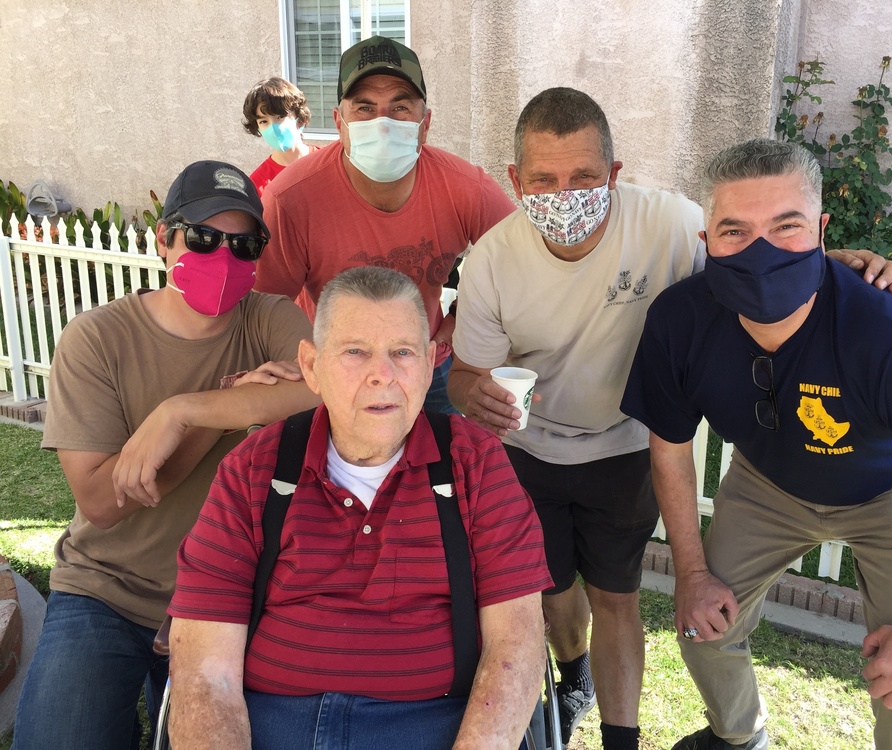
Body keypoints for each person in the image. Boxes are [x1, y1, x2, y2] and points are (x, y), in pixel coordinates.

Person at [446, 88, 892, 750]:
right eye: (543, 179)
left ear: (616, 175)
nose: (563, 194)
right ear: (515, 181)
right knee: (549, 596)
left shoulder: (666, 223)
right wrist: (473, 393)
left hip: (628, 447)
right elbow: (465, 374)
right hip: (531, 451)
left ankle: (621, 740)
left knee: (616, 597)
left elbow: (751, 260)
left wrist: (831, 264)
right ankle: (574, 675)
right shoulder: (491, 258)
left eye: (584, 177)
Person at [621, 138, 892, 750]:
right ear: (706, 241)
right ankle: (738, 738)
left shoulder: (890, 333)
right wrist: (689, 573)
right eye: (735, 231)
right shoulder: (680, 320)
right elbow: (668, 447)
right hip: (768, 482)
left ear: (822, 230)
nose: (762, 250)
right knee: (704, 626)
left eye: (787, 226)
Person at [166, 266, 552, 750]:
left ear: (431, 361)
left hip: (435, 721)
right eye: (355, 352)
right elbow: (206, 672)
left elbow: (514, 647)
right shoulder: (254, 470)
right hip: (273, 722)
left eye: (403, 352)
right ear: (312, 366)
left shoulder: (475, 464)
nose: (382, 375)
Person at [12, 160, 320, 750]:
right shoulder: (98, 338)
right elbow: (103, 502)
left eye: (244, 244)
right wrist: (231, 407)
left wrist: (184, 412)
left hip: (234, 594)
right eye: (203, 238)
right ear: (163, 238)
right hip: (108, 588)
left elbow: (328, 386)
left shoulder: (272, 318)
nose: (224, 257)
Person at [253, 35, 515, 414]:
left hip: (428, 367)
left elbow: (519, 261)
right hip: (334, 376)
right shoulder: (290, 198)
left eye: (400, 106)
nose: (383, 123)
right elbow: (264, 306)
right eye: (364, 108)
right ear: (338, 123)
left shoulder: (465, 189)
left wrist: (462, 317)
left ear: (425, 124)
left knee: (442, 466)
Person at [242, 76, 319, 197]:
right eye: (263, 122)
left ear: (299, 119)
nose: (273, 128)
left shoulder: (329, 161)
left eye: (279, 117)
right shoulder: (256, 185)